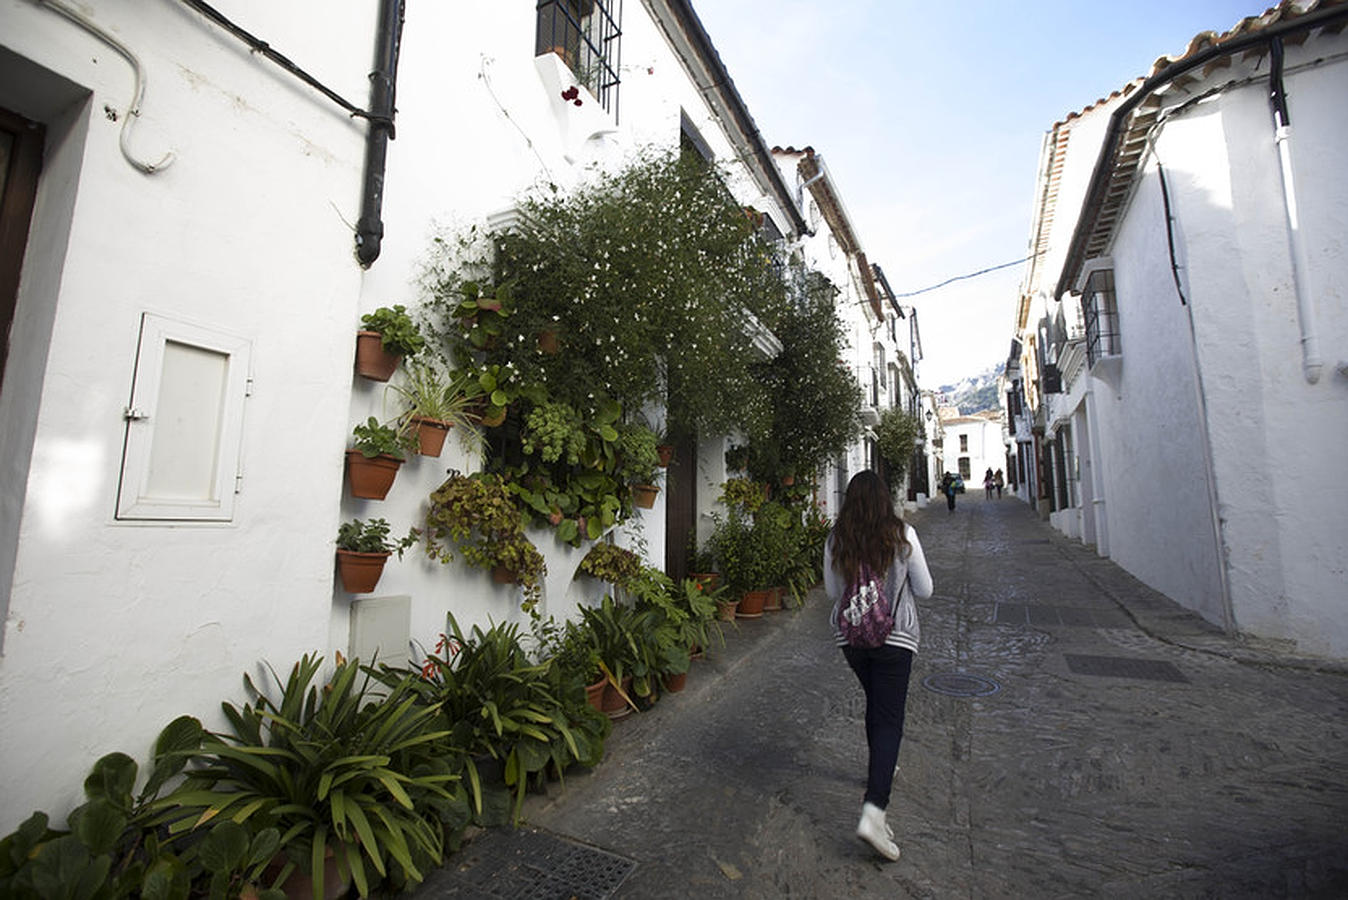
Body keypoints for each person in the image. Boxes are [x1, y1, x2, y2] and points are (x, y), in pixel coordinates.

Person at [824, 470, 934, 861]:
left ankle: (882, 770)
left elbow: (833, 592)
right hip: (896, 640)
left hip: (854, 642)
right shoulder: (901, 535)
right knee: (889, 719)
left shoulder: (837, 538)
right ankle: (874, 808)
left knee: (877, 705)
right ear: (885, 499)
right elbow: (925, 589)